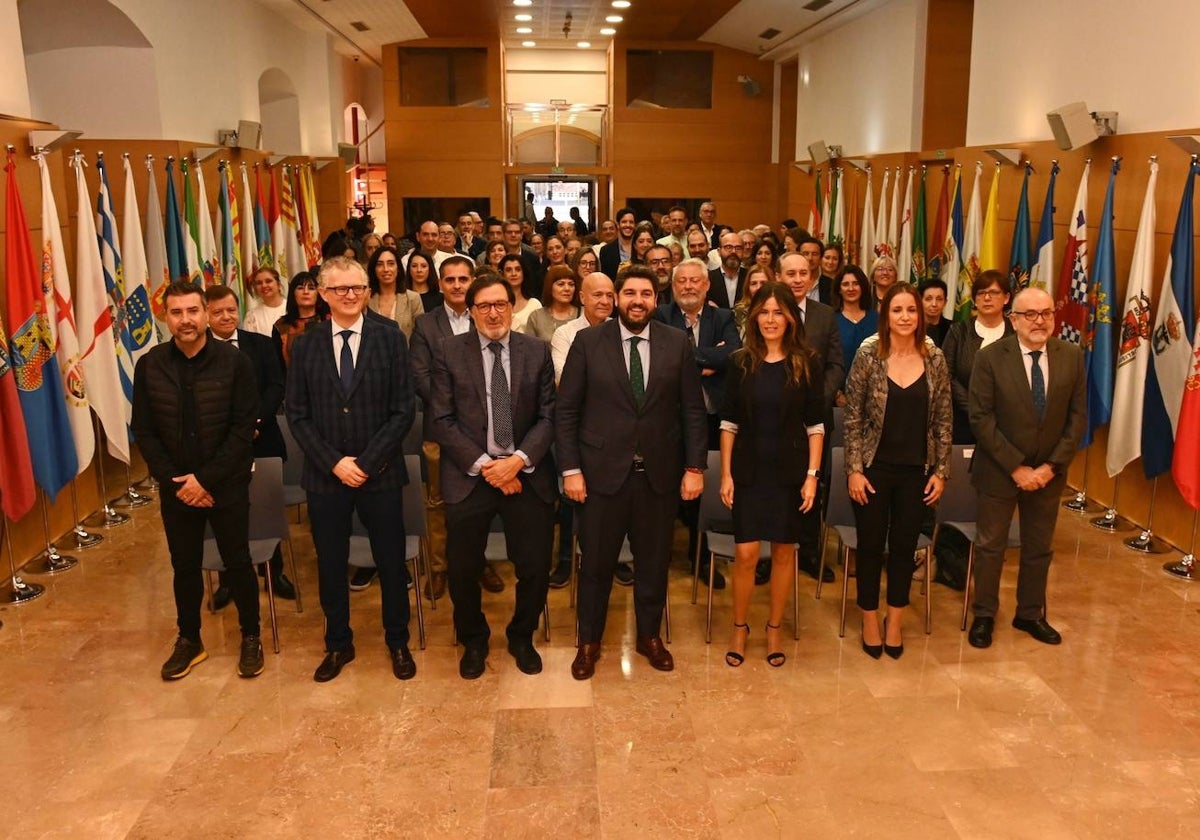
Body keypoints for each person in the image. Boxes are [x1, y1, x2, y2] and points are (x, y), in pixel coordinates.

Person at [557, 265, 708, 680]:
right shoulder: (588, 342)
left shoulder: (677, 343)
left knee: (654, 563)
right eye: (629, 293)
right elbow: (566, 411)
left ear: (656, 300)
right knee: (596, 566)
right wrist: (571, 469)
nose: (637, 300)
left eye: (646, 294)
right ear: (616, 299)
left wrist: (695, 467)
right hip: (600, 476)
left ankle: (649, 637)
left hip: (658, 476)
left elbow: (694, 411)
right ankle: (589, 642)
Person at [285, 257, 417, 683]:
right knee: (331, 563)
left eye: (357, 288)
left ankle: (397, 640)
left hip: (380, 472)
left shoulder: (390, 336)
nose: (349, 295)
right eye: (339, 289)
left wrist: (365, 462)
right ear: (322, 294)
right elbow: (298, 414)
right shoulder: (306, 344)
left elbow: (403, 410)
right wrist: (335, 463)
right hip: (327, 476)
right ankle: (338, 643)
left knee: (392, 562)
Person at [131, 281, 263, 680]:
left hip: (226, 484)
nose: (185, 320)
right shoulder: (150, 364)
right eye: (176, 313)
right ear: (166, 317)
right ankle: (190, 640)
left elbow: (243, 431)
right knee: (183, 566)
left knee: (239, 562)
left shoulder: (235, 363)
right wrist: (180, 484)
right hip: (177, 489)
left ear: (206, 313)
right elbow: (145, 432)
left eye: (192, 311)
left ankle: (251, 636)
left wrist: (203, 480)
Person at [431, 274, 558, 679]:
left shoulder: (536, 351)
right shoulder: (450, 351)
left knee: (535, 566)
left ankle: (522, 635)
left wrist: (517, 461)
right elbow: (441, 419)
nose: (493, 312)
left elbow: (549, 416)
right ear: (470, 311)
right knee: (463, 568)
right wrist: (489, 466)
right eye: (483, 305)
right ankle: (474, 639)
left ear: (512, 306)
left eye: (500, 304)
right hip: (472, 474)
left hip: (525, 473)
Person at [966, 286, 1086, 649]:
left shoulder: (1072, 356)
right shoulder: (990, 358)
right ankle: (985, 614)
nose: (1040, 321)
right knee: (991, 545)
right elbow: (980, 417)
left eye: (1047, 313)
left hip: (1049, 475)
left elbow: (1077, 419)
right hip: (1000, 471)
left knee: (1038, 547)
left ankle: (1030, 613)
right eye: (1031, 314)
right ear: (1013, 319)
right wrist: (1016, 467)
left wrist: (1050, 467)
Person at [843, 282, 952, 659]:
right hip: (873, 470)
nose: (905, 317)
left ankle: (894, 620)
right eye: (897, 310)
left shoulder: (935, 357)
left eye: (911, 310)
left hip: (917, 472)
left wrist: (941, 471)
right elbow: (853, 417)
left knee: (905, 549)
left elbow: (943, 418)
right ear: (885, 315)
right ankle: (870, 618)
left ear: (920, 316)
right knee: (870, 547)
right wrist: (854, 469)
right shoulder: (869, 355)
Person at [719, 283, 825, 667]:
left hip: (790, 473)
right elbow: (728, 423)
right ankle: (740, 627)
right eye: (763, 312)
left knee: (783, 553)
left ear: (791, 318)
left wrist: (812, 475)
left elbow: (816, 425)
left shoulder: (807, 362)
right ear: (753, 318)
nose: (770, 319)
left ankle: (775, 627)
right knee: (746, 554)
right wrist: (726, 474)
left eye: (778, 312)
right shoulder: (739, 362)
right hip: (748, 470)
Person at [410, 257, 507, 600]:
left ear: (473, 282)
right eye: (449, 279)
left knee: (478, 503)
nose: (456, 285)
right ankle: (438, 569)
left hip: (487, 433)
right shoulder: (426, 324)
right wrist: (451, 412)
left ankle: (477, 564)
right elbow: (421, 377)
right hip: (442, 432)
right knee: (439, 502)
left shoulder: (489, 316)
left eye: (463, 279)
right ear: (440, 284)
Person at [204, 285, 296, 607]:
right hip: (220, 449)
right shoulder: (199, 352)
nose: (226, 316)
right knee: (226, 515)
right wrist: (235, 433)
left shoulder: (259, 343)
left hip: (263, 440)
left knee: (267, 508)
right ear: (206, 315)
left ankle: (275, 571)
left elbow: (276, 386)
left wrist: (252, 423)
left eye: (231, 309)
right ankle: (230, 580)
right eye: (218, 312)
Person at [777, 252, 845, 584]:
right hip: (776, 416)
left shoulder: (825, 314)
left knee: (812, 482)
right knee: (776, 484)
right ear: (779, 277)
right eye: (791, 273)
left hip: (815, 413)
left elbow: (836, 363)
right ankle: (771, 550)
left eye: (804, 273)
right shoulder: (771, 313)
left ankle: (810, 550)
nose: (798, 279)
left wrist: (819, 396)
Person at [942, 270, 1014, 443]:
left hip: (1007, 426)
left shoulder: (1016, 335)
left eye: (994, 292)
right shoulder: (958, 331)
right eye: (981, 293)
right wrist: (974, 409)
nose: (987, 298)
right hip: (963, 423)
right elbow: (946, 375)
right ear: (974, 299)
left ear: (1006, 298)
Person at [832, 265, 879, 402]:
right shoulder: (830, 320)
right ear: (839, 289)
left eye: (856, 284)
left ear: (863, 287)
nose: (851, 288)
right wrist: (836, 394)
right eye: (845, 284)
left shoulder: (877, 319)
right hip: (840, 399)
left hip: (874, 397)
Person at [272, 271, 329, 367]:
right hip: (292, 379)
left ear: (318, 294)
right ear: (293, 294)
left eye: (311, 288)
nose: (306, 292)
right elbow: (277, 364)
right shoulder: (281, 326)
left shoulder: (329, 322)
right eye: (300, 288)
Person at [367, 245, 425, 339]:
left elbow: (421, 336)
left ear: (398, 268)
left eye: (391, 263)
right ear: (374, 269)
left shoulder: (413, 298)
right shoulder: (366, 299)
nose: (386, 269)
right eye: (380, 264)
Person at [523, 266, 579, 341]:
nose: (567, 288)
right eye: (561, 284)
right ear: (550, 287)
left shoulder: (583, 314)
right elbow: (530, 349)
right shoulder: (536, 317)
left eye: (571, 284)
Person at [499, 253, 542, 335]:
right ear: (502, 274)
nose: (513, 274)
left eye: (518, 269)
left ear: (524, 273)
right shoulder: (495, 303)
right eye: (508, 270)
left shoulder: (535, 305)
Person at [242, 268, 288, 336]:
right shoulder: (252, 316)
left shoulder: (292, 308)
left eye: (268, 281)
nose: (264, 285)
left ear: (278, 284)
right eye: (259, 283)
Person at [708, 230, 746, 309]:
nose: (733, 251)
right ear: (719, 251)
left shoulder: (750, 277)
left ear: (743, 252)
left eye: (738, 248)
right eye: (728, 247)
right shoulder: (708, 278)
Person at [732, 265, 773, 339]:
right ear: (748, 288)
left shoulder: (781, 310)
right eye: (753, 283)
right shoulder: (738, 312)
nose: (758, 288)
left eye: (763, 283)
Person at [599, 207, 636, 278]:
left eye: (631, 222)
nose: (628, 225)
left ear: (635, 225)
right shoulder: (606, 251)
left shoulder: (640, 247)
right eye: (624, 222)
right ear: (618, 225)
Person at [405, 250, 442, 314]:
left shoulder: (441, 299)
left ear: (430, 269)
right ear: (409, 269)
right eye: (414, 266)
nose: (419, 270)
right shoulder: (402, 297)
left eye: (423, 266)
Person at [921, 279, 954, 346]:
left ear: (945, 302)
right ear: (919, 301)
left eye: (939, 299)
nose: (934, 304)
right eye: (928, 299)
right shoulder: (912, 327)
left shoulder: (954, 329)